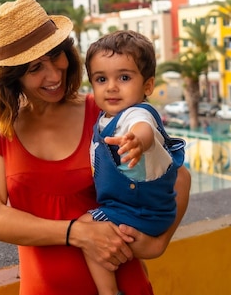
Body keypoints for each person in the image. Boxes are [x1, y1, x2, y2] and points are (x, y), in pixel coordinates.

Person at [0, 0, 191, 295]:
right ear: (11, 77)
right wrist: (78, 233)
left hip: (124, 285)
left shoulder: (102, 114)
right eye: (35, 69)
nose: (54, 74)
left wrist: (156, 243)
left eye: (55, 56)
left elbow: (177, 176)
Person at [78, 30, 185, 295]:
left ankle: (109, 292)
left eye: (124, 77)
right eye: (101, 79)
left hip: (142, 213)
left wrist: (137, 141)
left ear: (147, 86)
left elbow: (143, 128)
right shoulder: (104, 119)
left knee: (87, 230)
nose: (111, 86)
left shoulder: (136, 113)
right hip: (134, 209)